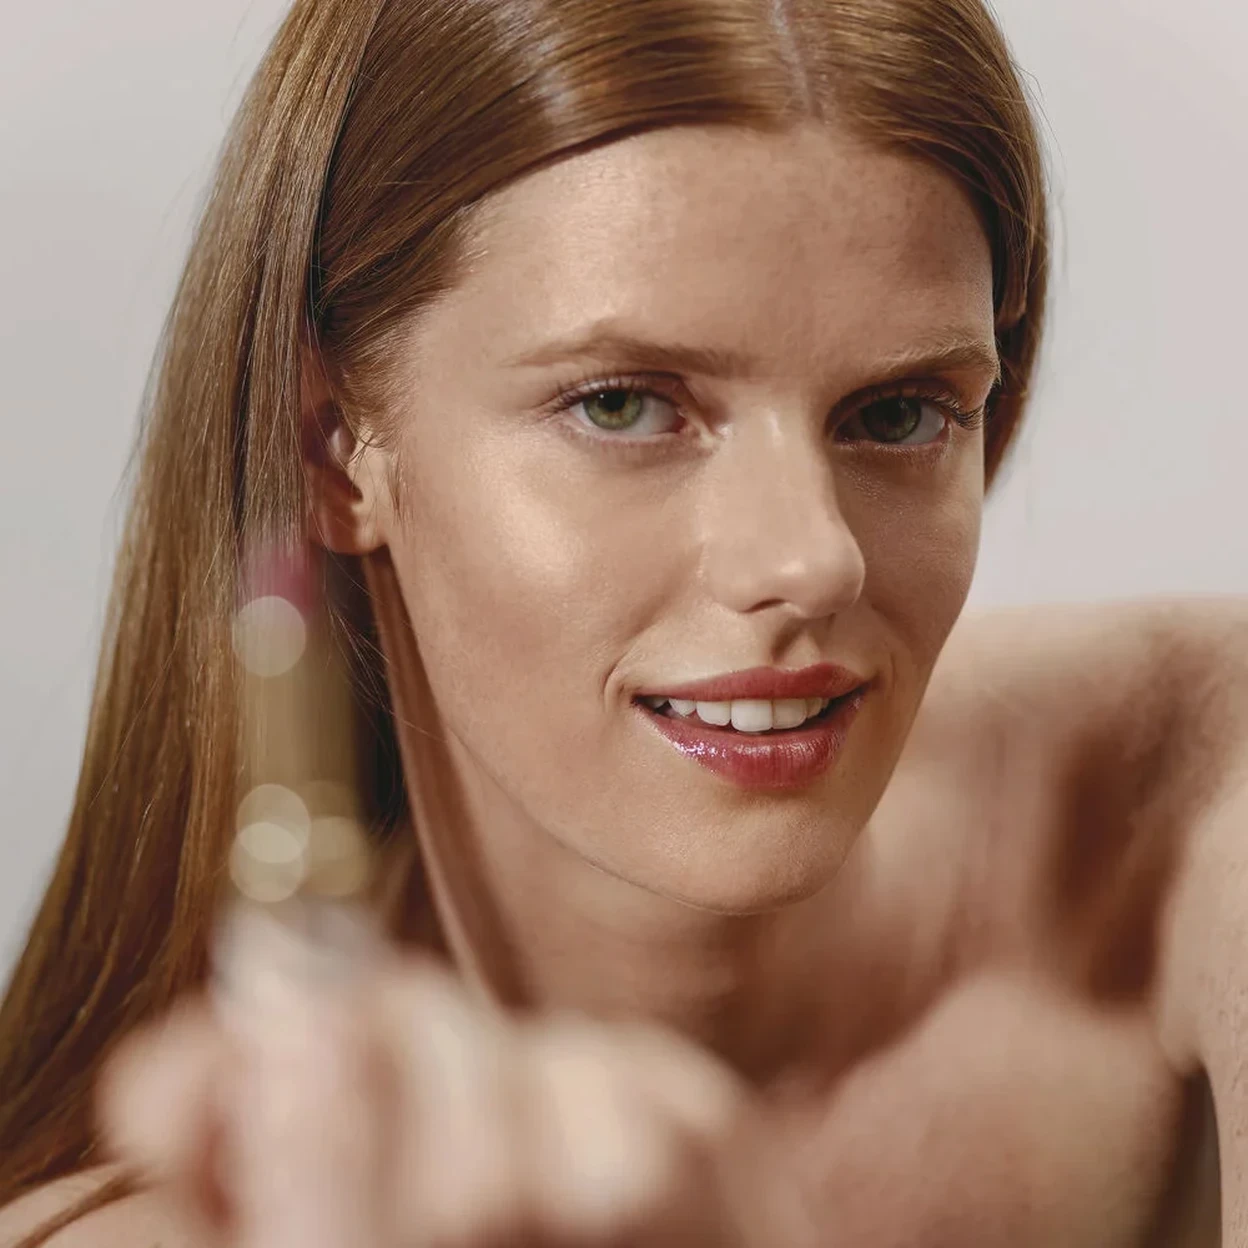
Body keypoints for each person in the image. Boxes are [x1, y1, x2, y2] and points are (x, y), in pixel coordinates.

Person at [0, 0, 1244, 1243]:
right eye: (623, 407)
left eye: (900, 413)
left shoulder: (1199, 803)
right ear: (333, 450)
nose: (812, 557)